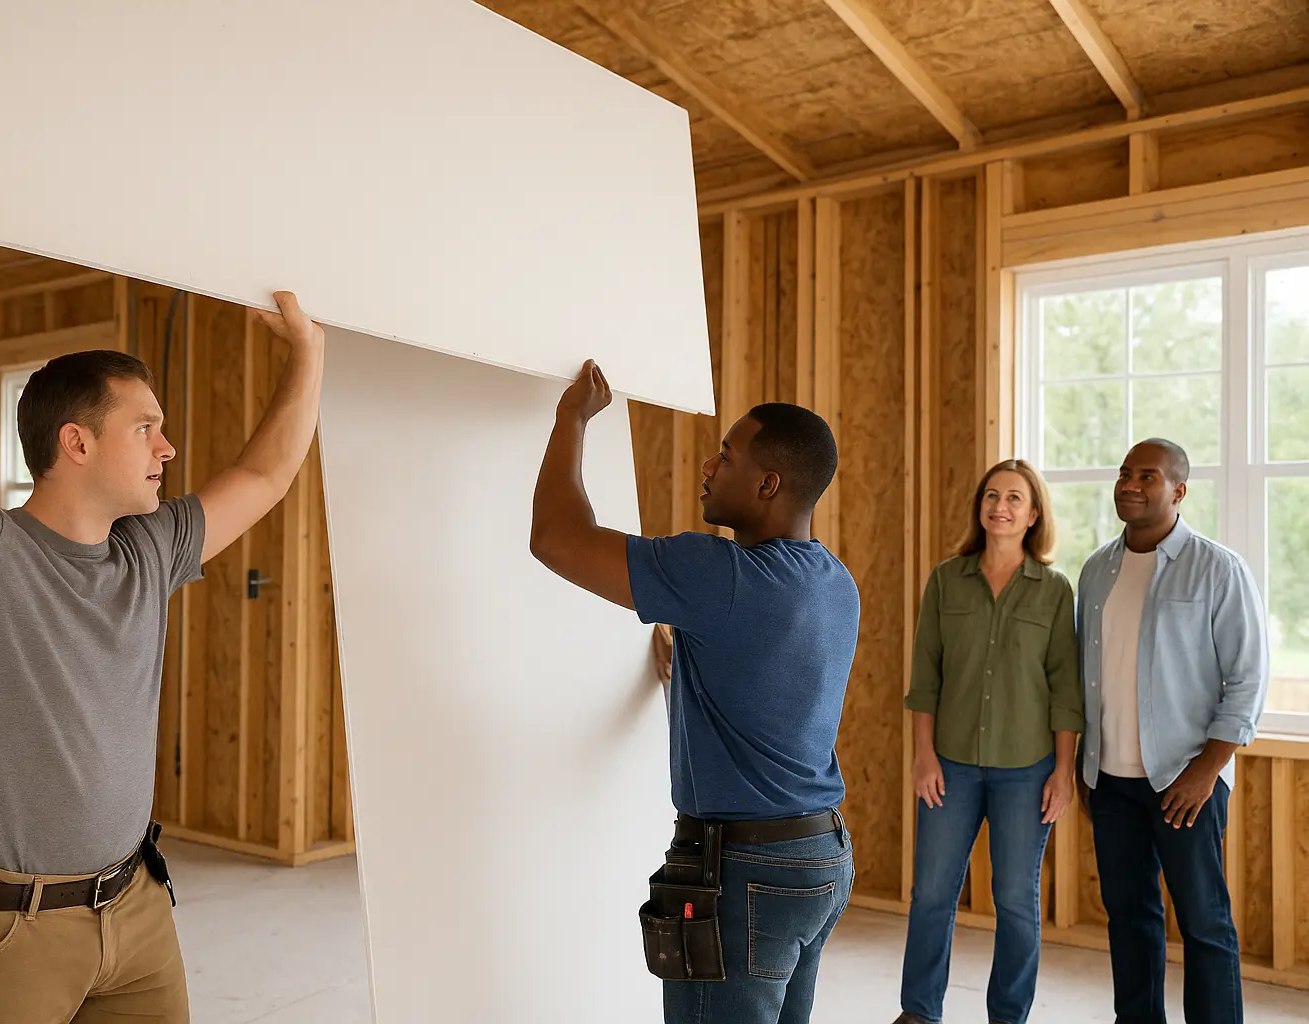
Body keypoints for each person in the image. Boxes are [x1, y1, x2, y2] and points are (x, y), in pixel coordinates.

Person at [0, 197, 325, 1023]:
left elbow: (266, 475)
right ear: (77, 442)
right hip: (2, 928)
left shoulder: (148, 549)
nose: (167, 447)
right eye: (146, 427)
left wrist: (309, 352)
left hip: (135, 906)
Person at [530, 360, 860, 1024]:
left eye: (727, 456)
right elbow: (762, 673)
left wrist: (572, 418)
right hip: (818, 857)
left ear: (768, 484)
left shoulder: (720, 576)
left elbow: (556, 540)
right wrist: (687, 651)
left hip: (745, 869)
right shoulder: (833, 581)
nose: (709, 467)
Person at [1077, 439, 1267, 1024]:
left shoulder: (1219, 568)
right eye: (1124, 473)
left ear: (1179, 490)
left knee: (1204, 922)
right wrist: (1085, 766)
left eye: (1148, 476)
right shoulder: (1096, 570)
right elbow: (1090, 676)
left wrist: (1205, 772)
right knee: (1130, 919)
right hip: (1110, 782)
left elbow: (1247, 681)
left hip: (1186, 783)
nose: (1130, 485)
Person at [894, 460, 1081, 1024]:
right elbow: (925, 678)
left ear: (1034, 514)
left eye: (1014, 498)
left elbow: (1065, 689)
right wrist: (923, 756)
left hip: (1027, 768)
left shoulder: (1054, 590)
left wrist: (1063, 771)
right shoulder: (946, 580)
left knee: (1016, 901)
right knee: (931, 893)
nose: (1001, 506)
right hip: (949, 764)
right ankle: (919, 1012)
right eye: (992, 495)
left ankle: (1008, 1016)